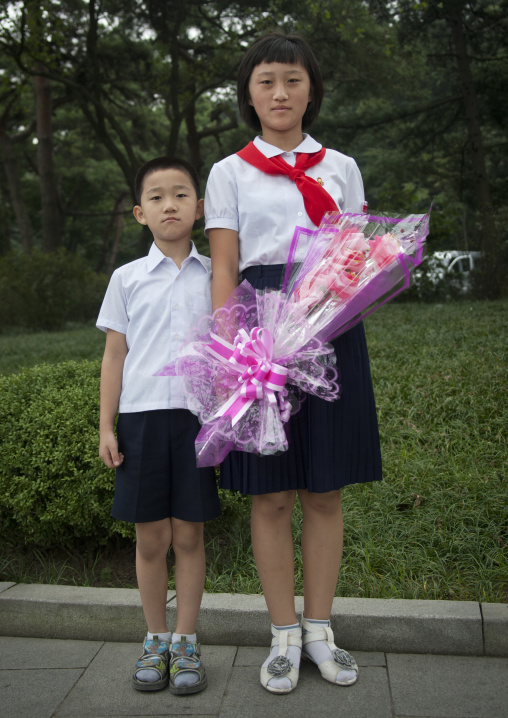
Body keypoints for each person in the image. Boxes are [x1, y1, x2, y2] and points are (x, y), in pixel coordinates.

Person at [205, 31, 382, 694]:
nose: (280, 93)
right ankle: (281, 635)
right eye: (266, 82)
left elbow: (358, 254)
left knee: (325, 488)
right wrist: (230, 349)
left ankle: (320, 630)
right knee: (272, 491)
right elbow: (225, 264)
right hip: (259, 333)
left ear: (312, 89)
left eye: (293, 80)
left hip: (332, 329)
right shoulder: (229, 172)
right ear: (249, 95)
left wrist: (347, 287)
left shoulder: (342, 166)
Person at [98, 157, 221, 696]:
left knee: (189, 534)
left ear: (200, 206)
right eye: (156, 197)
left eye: (180, 194)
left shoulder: (219, 272)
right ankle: (154, 638)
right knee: (151, 536)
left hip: (198, 421)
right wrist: (106, 426)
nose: (169, 204)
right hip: (141, 421)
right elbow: (114, 356)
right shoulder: (126, 279)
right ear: (139, 213)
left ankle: (186, 641)